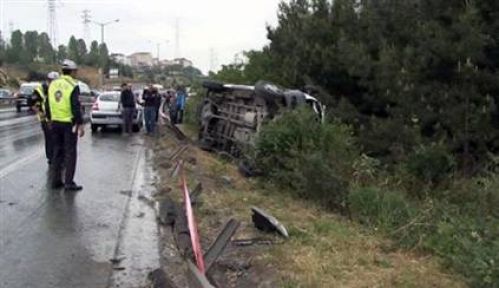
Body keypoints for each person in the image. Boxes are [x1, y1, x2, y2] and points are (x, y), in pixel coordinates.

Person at [45, 59, 85, 191]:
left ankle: (56, 181)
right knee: (70, 153)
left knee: (57, 152)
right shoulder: (73, 85)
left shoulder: (53, 84)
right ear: (72, 71)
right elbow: (76, 106)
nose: (76, 73)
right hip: (68, 123)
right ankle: (68, 182)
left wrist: (50, 119)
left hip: (55, 122)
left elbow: (47, 104)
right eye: (76, 71)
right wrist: (80, 123)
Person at [31, 71, 59, 165]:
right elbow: (32, 103)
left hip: (55, 117)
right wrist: (39, 113)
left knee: (56, 138)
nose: (53, 84)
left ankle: (56, 156)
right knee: (49, 138)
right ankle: (51, 157)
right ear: (48, 80)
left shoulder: (57, 89)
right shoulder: (40, 89)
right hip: (44, 119)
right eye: (52, 81)